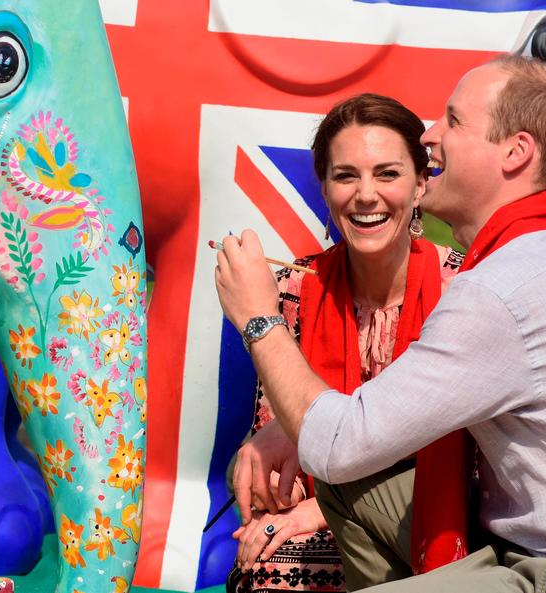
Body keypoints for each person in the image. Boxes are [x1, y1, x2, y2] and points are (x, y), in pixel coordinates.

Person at [214, 54, 546, 593]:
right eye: (345, 176)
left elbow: (337, 441)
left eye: (454, 121)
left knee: (340, 460)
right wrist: (299, 424)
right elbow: (355, 438)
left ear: (516, 152)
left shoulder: (500, 289)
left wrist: (259, 320)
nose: (429, 135)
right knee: (348, 477)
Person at [226, 94, 470, 593]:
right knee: (267, 570)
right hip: (329, 520)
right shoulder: (295, 286)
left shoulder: (463, 287)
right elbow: (278, 441)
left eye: (387, 174)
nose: (365, 194)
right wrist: (271, 480)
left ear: (421, 184)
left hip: (444, 519)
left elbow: (475, 461)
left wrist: (316, 510)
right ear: (325, 187)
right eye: (345, 176)